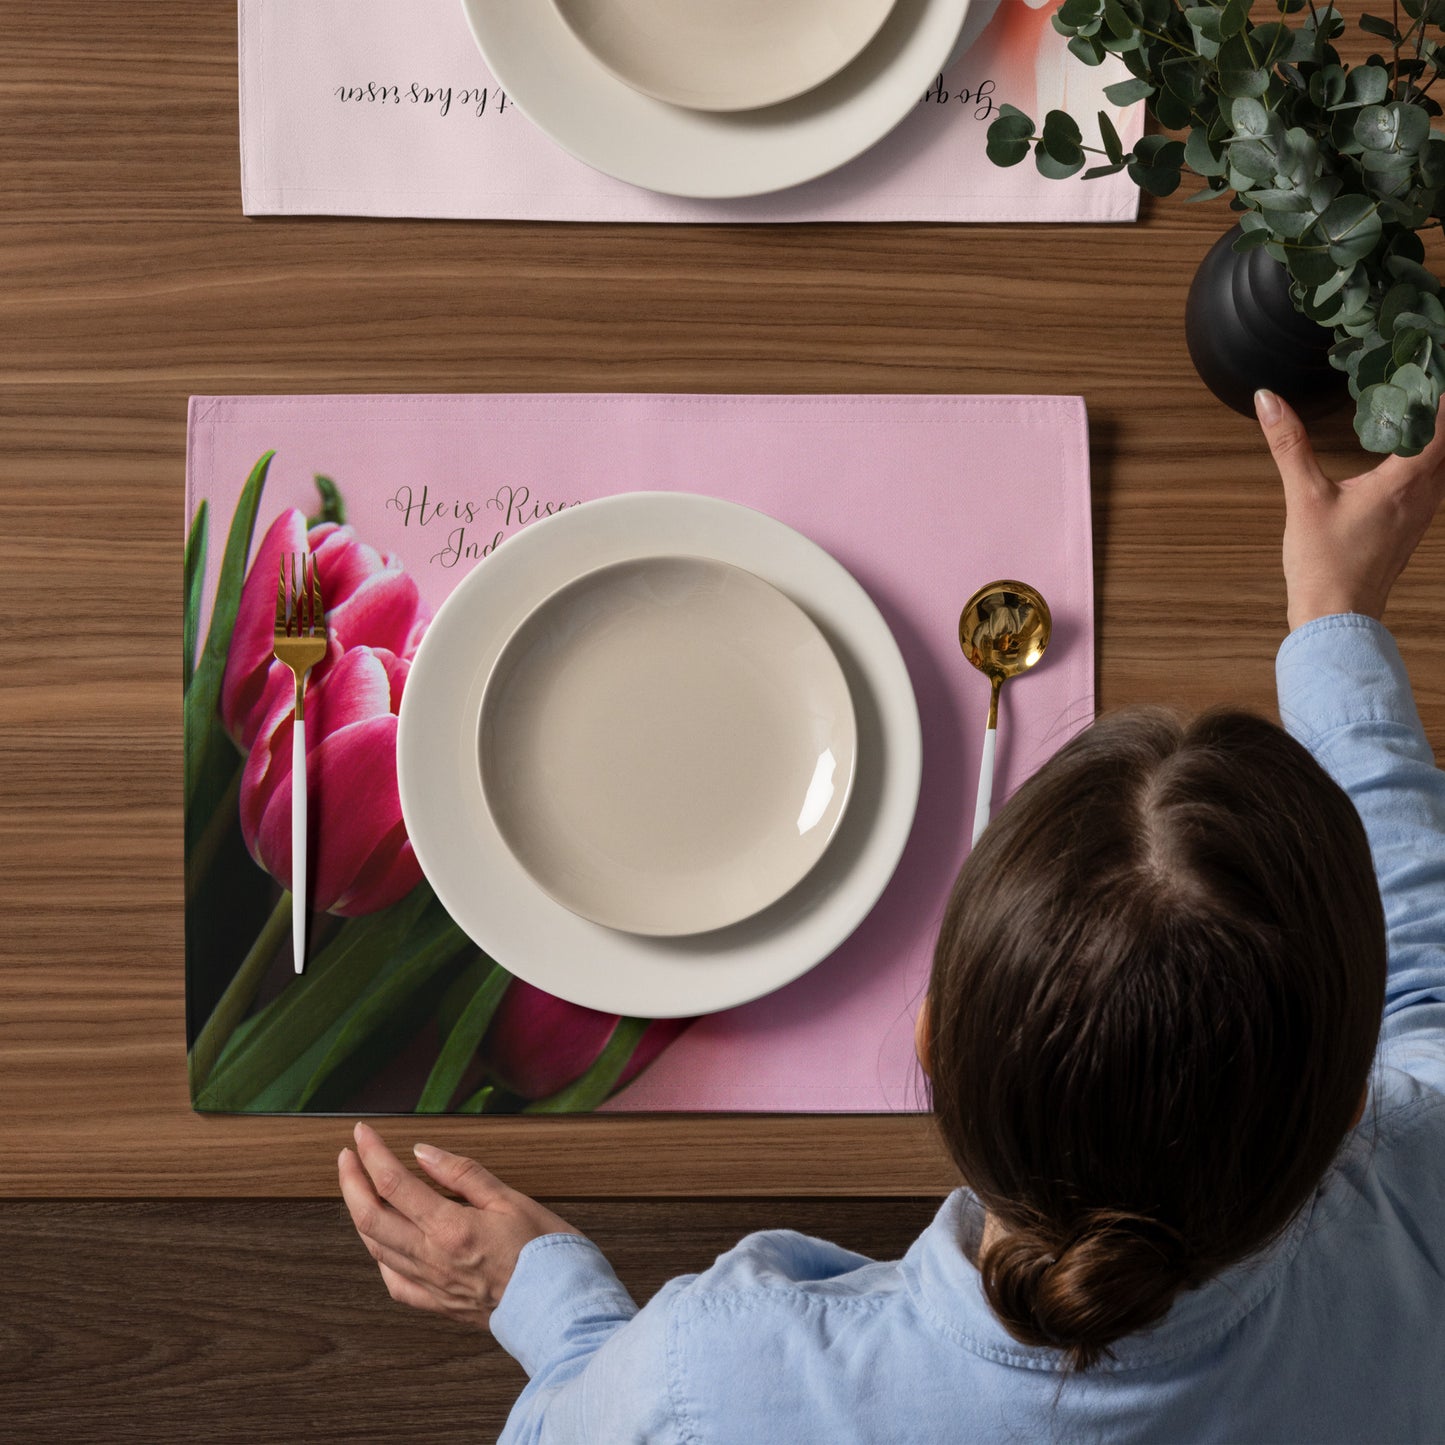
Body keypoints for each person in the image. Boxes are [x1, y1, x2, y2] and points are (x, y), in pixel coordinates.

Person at [338, 390, 1445, 1443]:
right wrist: (1332, 620)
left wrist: (551, 1307)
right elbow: (1424, 987)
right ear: (1349, 1106)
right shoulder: (1418, 1194)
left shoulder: (711, 1381)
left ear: (928, 1040)